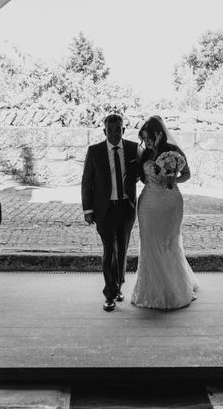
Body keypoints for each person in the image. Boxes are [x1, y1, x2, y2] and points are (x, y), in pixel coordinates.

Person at [130, 115, 199, 309]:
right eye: (143, 139)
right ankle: (149, 290)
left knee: (169, 242)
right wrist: (152, 183)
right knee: (149, 243)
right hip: (149, 203)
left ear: (159, 134)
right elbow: (143, 178)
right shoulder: (144, 154)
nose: (146, 142)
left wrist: (172, 180)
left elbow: (187, 174)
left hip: (170, 202)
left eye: (149, 138)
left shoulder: (173, 152)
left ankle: (173, 288)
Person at [81, 114, 139, 312]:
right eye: (110, 130)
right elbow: (87, 181)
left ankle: (119, 286)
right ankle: (109, 294)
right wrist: (88, 209)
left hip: (126, 208)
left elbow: (142, 172)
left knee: (122, 251)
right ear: (104, 131)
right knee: (109, 251)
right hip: (104, 210)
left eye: (118, 129)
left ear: (123, 130)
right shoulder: (95, 151)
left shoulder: (133, 149)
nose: (114, 133)